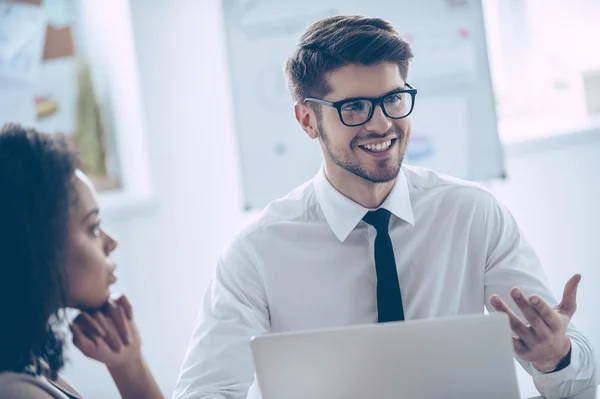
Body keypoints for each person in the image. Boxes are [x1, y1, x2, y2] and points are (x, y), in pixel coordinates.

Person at [173, 15, 597, 399]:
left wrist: (554, 356)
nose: (381, 124)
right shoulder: (257, 252)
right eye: (354, 107)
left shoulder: (473, 215)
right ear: (307, 121)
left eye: (393, 99)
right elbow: (203, 391)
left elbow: (576, 380)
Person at [0, 124, 164, 399]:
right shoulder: (16, 392)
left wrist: (128, 363)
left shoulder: (29, 367)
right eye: (93, 227)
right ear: (37, 246)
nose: (111, 243)